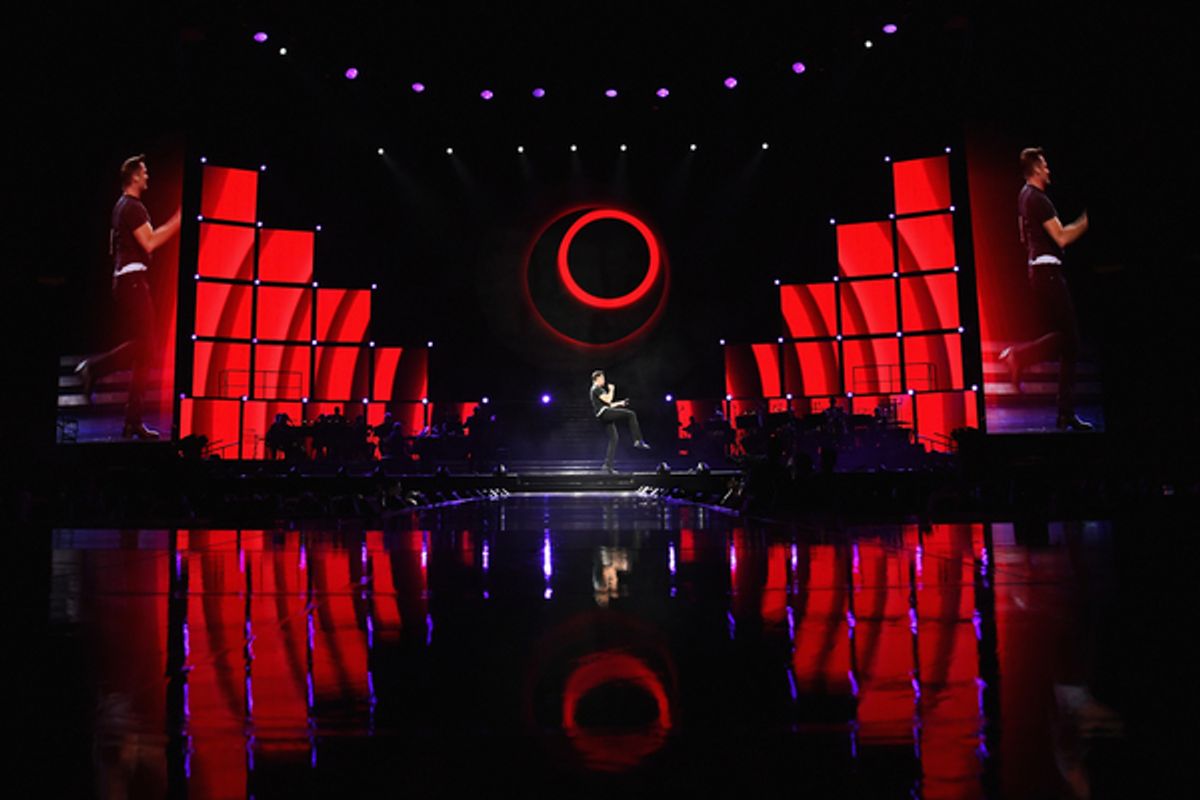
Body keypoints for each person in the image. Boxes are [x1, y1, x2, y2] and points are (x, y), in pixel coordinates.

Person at [75, 155, 181, 439]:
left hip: (129, 280)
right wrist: (178, 219)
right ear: (134, 176)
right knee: (147, 346)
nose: (148, 176)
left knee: (145, 354)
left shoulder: (122, 207)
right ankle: (94, 368)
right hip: (132, 281)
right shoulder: (132, 207)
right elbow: (150, 242)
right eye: (144, 172)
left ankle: (132, 421)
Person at [999, 147, 1093, 431]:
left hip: (1039, 270)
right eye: (1046, 165)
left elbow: (1021, 236)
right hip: (1047, 271)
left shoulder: (1023, 197)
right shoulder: (1038, 199)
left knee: (1068, 340)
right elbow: (1062, 237)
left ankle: (1062, 409)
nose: (1049, 170)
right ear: (1037, 169)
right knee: (1072, 341)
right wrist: (1087, 220)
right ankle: (1022, 358)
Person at [590, 369, 650, 474]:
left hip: (605, 412)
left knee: (614, 439)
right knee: (631, 414)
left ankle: (607, 466)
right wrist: (612, 390)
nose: (604, 380)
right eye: (602, 378)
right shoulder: (596, 388)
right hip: (604, 413)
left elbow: (609, 404)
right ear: (597, 378)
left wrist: (621, 403)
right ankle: (638, 440)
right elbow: (608, 400)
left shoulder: (600, 390)